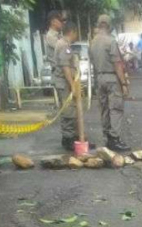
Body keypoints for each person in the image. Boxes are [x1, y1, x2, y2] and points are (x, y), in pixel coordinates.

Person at [89, 14, 131, 151]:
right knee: (116, 108)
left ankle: (107, 136)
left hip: (99, 78)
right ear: (108, 25)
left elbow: (93, 63)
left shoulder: (93, 42)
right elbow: (117, 64)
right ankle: (115, 139)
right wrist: (124, 83)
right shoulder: (110, 41)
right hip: (112, 78)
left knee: (104, 108)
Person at [54, 21, 80, 151]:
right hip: (64, 83)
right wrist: (72, 85)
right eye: (76, 33)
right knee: (68, 111)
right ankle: (68, 139)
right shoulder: (64, 46)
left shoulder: (62, 43)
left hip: (63, 82)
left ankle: (71, 138)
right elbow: (65, 67)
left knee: (69, 110)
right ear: (72, 32)